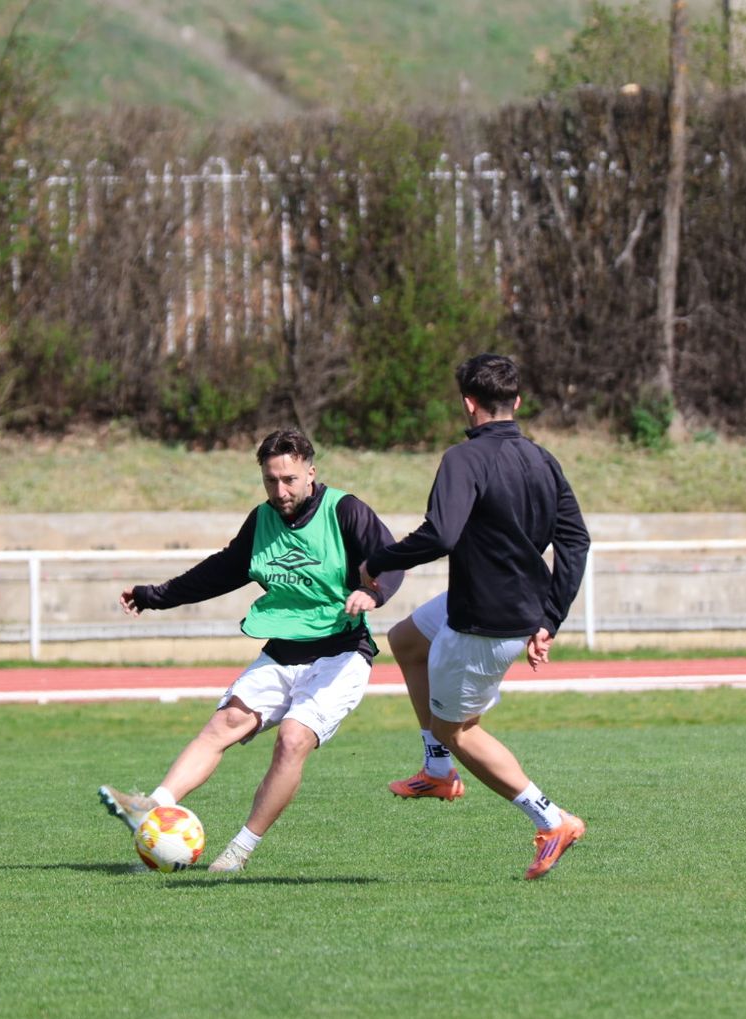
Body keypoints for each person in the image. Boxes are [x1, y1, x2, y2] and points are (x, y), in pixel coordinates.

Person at [98, 427, 404, 873]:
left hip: (342, 652)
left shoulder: (345, 510)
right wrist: (153, 595)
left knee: (293, 738)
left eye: (289, 480)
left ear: (310, 473)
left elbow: (388, 559)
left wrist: (374, 594)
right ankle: (153, 806)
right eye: (270, 481)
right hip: (282, 650)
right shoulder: (261, 521)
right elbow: (220, 571)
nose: (280, 491)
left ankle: (238, 852)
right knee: (226, 723)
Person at [360, 353, 591, 880]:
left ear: (468, 403)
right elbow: (576, 541)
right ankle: (436, 771)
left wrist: (378, 560)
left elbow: (440, 535)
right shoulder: (542, 459)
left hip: (483, 622)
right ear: (517, 402)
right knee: (406, 640)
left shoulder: (462, 459)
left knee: (460, 730)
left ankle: (552, 819)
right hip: (499, 606)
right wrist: (550, 616)